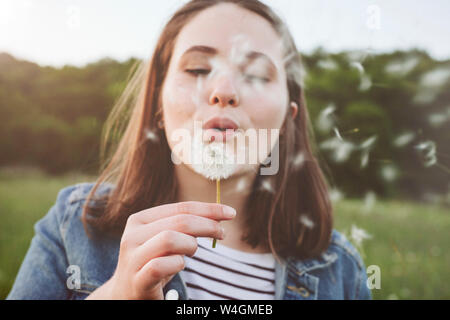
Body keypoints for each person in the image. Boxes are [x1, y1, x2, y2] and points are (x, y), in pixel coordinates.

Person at [7, 0, 372, 300]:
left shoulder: (340, 272)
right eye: (197, 68)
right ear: (159, 106)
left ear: (287, 119)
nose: (224, 90)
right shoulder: (73, 226)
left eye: (258, 75)